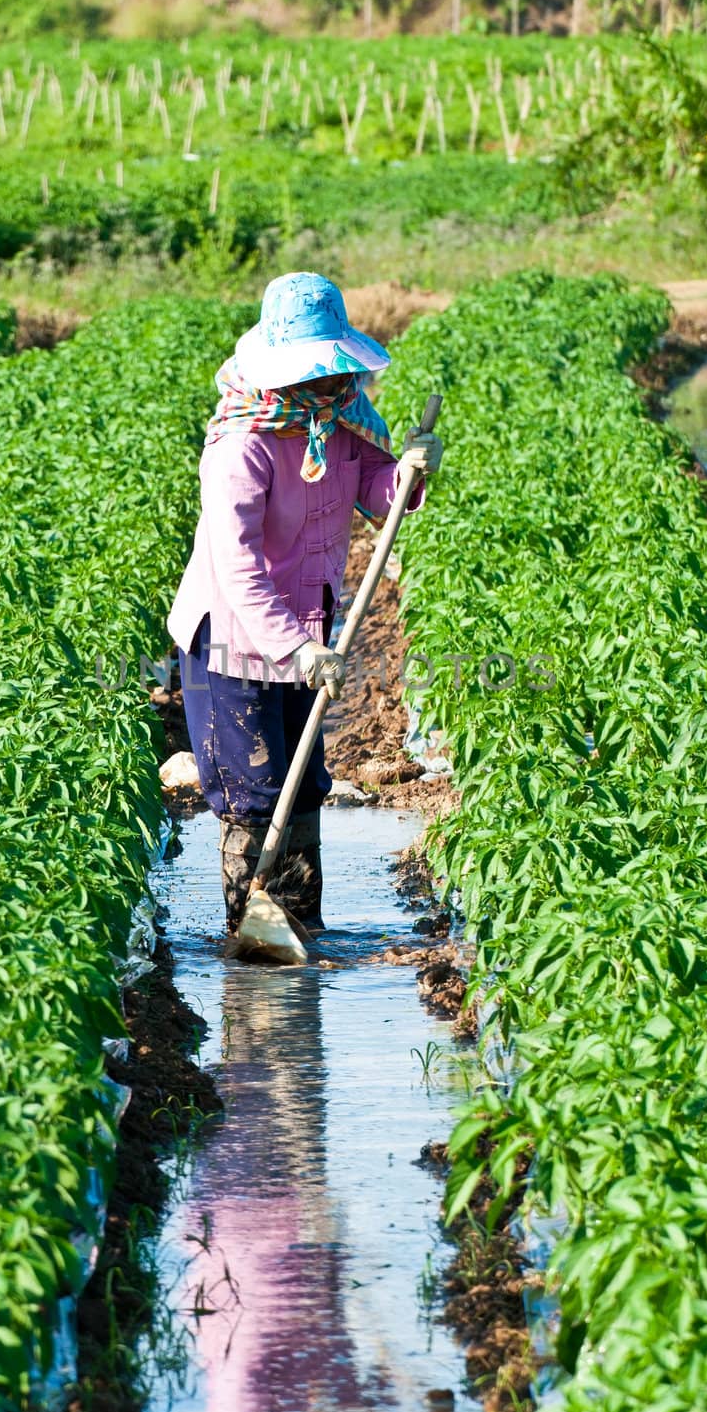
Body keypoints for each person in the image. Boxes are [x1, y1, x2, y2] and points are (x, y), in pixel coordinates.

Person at [167, 271, 443, 935]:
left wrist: (406, 474)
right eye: (314, 378)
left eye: (333, 376)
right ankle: (252, 934)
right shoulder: (243, 445)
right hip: (233, 641)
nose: (328, 389)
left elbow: (377, 499)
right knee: (252, 793)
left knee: (305, 781)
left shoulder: (341, 420)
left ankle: (301, 927)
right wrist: (297, 649)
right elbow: (237, 571)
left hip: (308, 628)